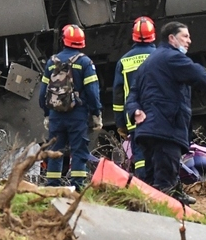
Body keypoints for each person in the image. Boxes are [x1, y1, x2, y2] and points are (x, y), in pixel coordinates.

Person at [127, 21, 206, 205]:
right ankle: (169, 218)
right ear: (172, 38)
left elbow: (132, 93)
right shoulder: (172, 57)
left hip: (147, 130)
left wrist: (134, 111)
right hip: (165, 128)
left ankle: (155, 213)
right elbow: (198, 74)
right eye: (185, 36)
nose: (189, 41)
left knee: (150, 182)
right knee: (165, 184)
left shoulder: (149, 62)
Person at [40, 24, 101, 188]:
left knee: (55, 151)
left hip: (56, 116)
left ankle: (52, 186)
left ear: (63, 40)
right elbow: (92, 92)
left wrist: (47, 113)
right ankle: (77, 188)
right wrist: (96, 113)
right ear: (82, 42)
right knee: (79, 151)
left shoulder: (51, 63)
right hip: (77, 115)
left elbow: (42, 93)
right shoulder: (85, 62)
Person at [112, 16, 156, 178]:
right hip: (158, 116)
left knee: (140, 156)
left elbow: (118, 96)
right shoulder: (161, 56)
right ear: (153, 34)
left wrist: (120, 123)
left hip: (134, 117)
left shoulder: (124, 61)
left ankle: (144, 188)